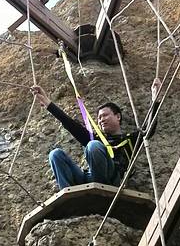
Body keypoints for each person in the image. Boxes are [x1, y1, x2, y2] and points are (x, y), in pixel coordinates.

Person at [32, 78, 161, 190]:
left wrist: (155, 100)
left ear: (118, 117)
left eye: (105, 115)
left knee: (93, 145)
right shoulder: (96, 138)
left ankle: (100, 186)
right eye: (99, 118)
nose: (101, 120)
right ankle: (68, 192)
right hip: (90, 178)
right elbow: (70, 124)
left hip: (111, 178)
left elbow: (149, 129)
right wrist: (48, 103)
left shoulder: (130, 139)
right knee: (55, 154)